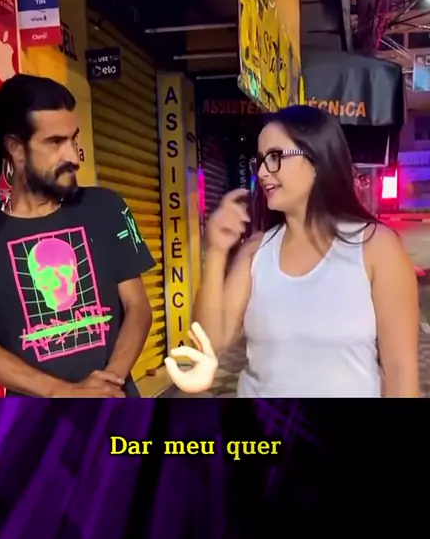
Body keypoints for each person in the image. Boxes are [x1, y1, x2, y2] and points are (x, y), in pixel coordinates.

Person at [171, 105, 420, 398]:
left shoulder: (377, 247)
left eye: (275, 157)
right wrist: (215, 251)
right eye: (260, 160)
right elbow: (209, 342)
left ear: (318, 159)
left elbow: (401, 371)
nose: (262, 172)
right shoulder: (257, 251)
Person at [0, 74, 154, 398]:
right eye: (55, 142)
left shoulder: (106, 207)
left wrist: (108, 383)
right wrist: (65, 393)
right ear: (16, 148)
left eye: (73, 139)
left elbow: (138, 308)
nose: (72, 156)